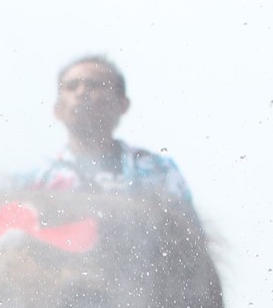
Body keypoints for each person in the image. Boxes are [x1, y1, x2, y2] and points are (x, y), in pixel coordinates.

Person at [20, 55, 192, 205]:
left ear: (123, 104)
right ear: (57, 109)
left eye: (94, 85)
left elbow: (189, 237)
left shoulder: (158, 170)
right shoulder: (38, 177)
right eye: (71, 86)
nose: (81, 93)